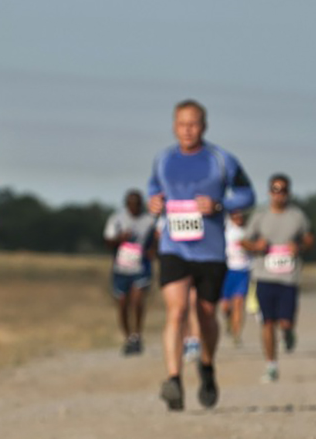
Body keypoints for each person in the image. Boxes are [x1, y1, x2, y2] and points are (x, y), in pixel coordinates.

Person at [148, 99, 255, 411]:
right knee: (177, 310)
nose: (187, 130)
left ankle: (206, 367)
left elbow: (247, 194)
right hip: (174, 247)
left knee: (206, 315)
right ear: (173, 126)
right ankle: (173, 380)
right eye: (182, 124)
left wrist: (220, 205)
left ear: (204, 127)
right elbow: (152, 189)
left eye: (193, 124)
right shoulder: (163, 159)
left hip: (210, 251)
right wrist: (153, 202)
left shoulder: (221, 160)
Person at [241, 174, 313, 383]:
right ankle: (271, 365)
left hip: (288, 278)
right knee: (267, 322)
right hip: (264, 275)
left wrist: (299, 247)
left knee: (285, 321)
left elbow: (309, 238)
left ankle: (288, 333)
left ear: (288, 193)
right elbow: (244, 241)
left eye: (283, 190)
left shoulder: (297, 216)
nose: (279, 194)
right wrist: (256, 246)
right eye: (275, 189)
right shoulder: (260, 216)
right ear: (269, 191)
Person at [103, 189, 157, 356]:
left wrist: (153, 251)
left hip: (140, 268)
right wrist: (120, 238)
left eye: (138, 204)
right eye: (131, 204)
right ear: (127, 205)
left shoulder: (149, 220)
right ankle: (128, 338)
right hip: (121, 268)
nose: (135, 208)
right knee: (123, 304)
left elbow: (157, 238)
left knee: (137, 300)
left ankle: (137, 335)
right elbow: (107, 240)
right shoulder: (116, 219)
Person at [219, 209, 252, 347]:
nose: (238, 217)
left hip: (243, 271)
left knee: (239, 303)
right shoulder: (225, 229)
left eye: (241, 214)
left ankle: (236, 335)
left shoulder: (249, 231)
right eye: (235, 214)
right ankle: (228, 320)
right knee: (225, 306)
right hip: (227, 271)